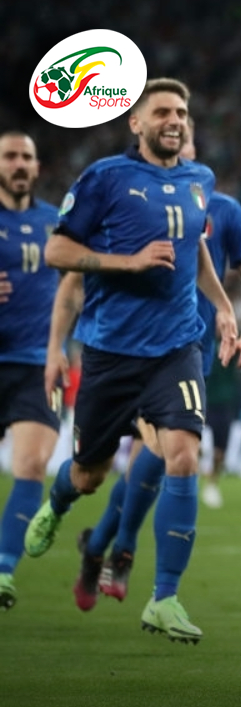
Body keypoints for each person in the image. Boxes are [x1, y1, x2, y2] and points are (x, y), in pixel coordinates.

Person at [23, 78, 240, 644]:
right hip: (111, 355)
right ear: (136, 124)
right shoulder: (105, 178)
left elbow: (194, 252)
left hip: (174, 351)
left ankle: (164, 598)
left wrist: (221, 307)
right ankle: (59, 502)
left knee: (184, 456)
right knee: (89, 476)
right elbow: (57, 251)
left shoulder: (200, 181)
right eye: (163, 111)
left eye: (182, 112)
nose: (175, 119)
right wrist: (128, 261)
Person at [66, 120, 241, 612]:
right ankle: (111, 550)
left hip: (191, 355)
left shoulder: (222, 209)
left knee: (158, 461)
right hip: (136, 350)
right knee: (137, 463)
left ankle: (109, 552)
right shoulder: (136, 203)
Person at [0, 132, 62, 611]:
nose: (18, 164)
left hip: (35, 364)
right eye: (9, 157)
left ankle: (2, 571)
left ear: (36, 167)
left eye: (26, 156)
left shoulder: (56, 223)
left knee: (32, 466)